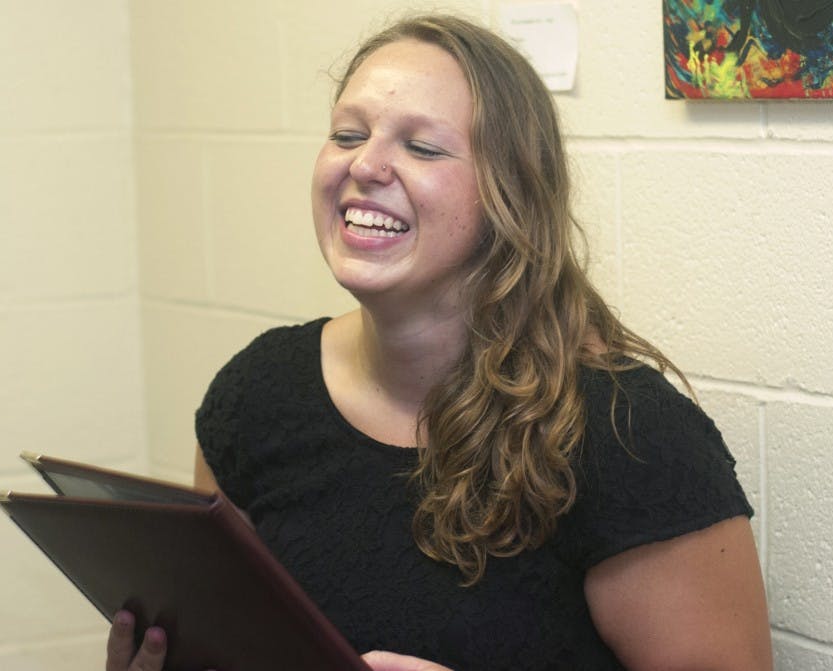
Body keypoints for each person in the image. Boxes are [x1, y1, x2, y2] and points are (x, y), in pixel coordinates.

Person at [106, 13, 772, 671]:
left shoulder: (629, 436)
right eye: (346, 134)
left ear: (510, 194)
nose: (365, 165)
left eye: (421, 148)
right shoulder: (255, 396)